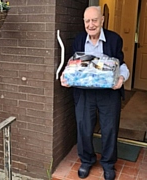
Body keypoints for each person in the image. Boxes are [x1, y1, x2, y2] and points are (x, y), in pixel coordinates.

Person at [60, 6, 129, 180]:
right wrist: (65, 75)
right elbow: (73, 62)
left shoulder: (114, 39)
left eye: (94, 20)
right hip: (84, 93)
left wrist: (121, 79)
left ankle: (108, 163)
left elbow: (121, 65)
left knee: (109, 128)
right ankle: (86, 160)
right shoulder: (79, 39)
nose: (91, 25)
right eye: (87, 21)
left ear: (102, 20)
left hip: (108, 93)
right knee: (84, 127)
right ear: (84, 22)